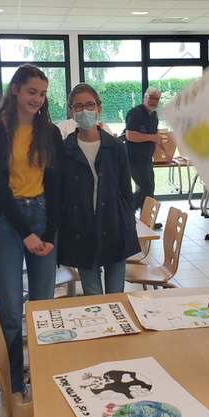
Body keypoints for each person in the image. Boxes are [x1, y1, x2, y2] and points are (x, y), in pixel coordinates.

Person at [0, 65, 63, 402]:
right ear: (14, 89)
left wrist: (50, 232)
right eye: (32, 91)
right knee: (12, 309)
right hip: (7, 220)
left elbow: (56, 183)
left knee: (43, 306)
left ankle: (43, 373)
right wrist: (26, 232)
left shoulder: (50, 132)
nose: (37, 99)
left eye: (42, 94)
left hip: (42, 215)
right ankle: (13, 381)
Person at [58, 83, 140, 295]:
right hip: (81, 228)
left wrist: (128, 222)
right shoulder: (64, 150)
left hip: (114, 225)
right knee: (92, 294)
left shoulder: (116, 147)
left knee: (116, 292)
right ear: (71, 112)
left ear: (98, 109)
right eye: (78, 106)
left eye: (89, 105)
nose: (84, 110)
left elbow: (126, 191)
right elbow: (60, 194)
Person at [125, 87, 170, 218]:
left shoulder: (154, 116)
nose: (154, 101)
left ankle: (147, 220)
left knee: (149, 191)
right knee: (146, 188)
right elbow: (130, 135)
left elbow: (156, 136)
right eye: (151, 98)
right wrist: (151, 137)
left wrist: (166, 153)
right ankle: (126, 211)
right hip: (134, 159)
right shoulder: (135, 113)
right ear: (145, 98)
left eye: (157, 99)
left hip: (147, 159)